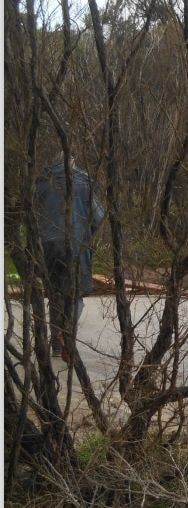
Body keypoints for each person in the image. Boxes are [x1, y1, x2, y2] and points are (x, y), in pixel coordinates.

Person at [35, 152, 104, 358]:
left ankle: (56, 340)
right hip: (76, 246)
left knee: (54, 293)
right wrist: (85, 232)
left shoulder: (41, 183)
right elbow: (98, 216)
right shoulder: (83, 182)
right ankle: (67, 337)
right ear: (72, 165)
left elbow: (30, 216)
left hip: (48, 246)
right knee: (75, 294)